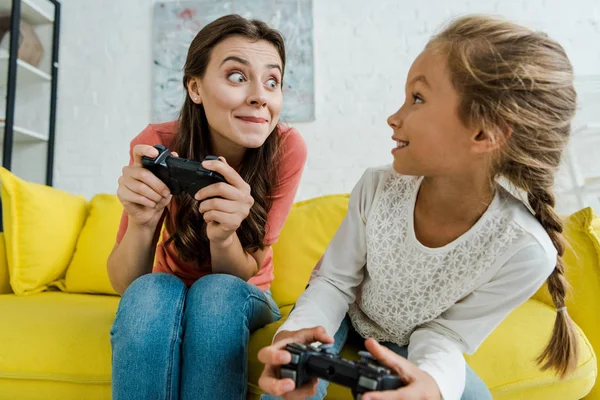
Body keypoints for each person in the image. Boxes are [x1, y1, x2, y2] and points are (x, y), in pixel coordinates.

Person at [258, 14, 579, 400]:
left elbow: (447, 334)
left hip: (413, 344)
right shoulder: (377, 187)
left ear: (483, 133)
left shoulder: (525, 251)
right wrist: (295, 334)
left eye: (418, 98)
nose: (394, 117)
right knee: (290, 379)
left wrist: (431, 385)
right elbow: (334, 282)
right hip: (344, 315)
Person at [107, 14, 307, 399]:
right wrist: (143, 222)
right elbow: (124, 284)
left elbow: (244, 273)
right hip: (165, 290)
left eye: (272, 81)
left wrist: (224, 234)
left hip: (241, 289)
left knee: (215, 293)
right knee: (150, 291)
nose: (260, 96)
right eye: (237, 76)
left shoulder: (286, 148)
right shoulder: (158, 142)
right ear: (195, 87)